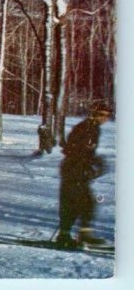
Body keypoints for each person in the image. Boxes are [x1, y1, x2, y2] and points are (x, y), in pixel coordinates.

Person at [55, 103, 113, 247]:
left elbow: (87, 151)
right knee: (74, 202)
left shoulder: (93, 129)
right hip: (73, 169)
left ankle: (82, 234)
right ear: (94, 114)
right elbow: (71, 149)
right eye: (101, 114)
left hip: (79, 169)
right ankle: (66, 235)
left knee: (86, 202)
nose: (104, 118)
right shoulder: (84, 128)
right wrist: (87, 163)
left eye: (107, 115)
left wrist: (96, 162)